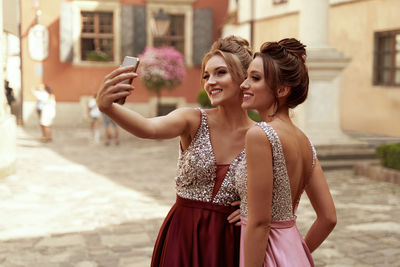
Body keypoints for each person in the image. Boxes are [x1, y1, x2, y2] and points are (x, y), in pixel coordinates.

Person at [96, 35, 254, 267]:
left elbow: (286, 187)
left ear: (244, 78)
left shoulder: (262, 135)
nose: (210, 81)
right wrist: (107, 107)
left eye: (221, 73)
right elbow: (148, 127)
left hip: (230, 241)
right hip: (184, 236)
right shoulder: (192, 119)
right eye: (206, 75)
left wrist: (259, 209)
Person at [236, 38, 337, 267]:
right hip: (292, 253)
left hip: (265, 255)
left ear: (281, 90)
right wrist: (298, 252)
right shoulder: (305, 142)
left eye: (255, 78)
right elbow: (329, 217)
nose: (243, 84)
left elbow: (260, 222)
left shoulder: (260, 135)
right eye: (246, 76)